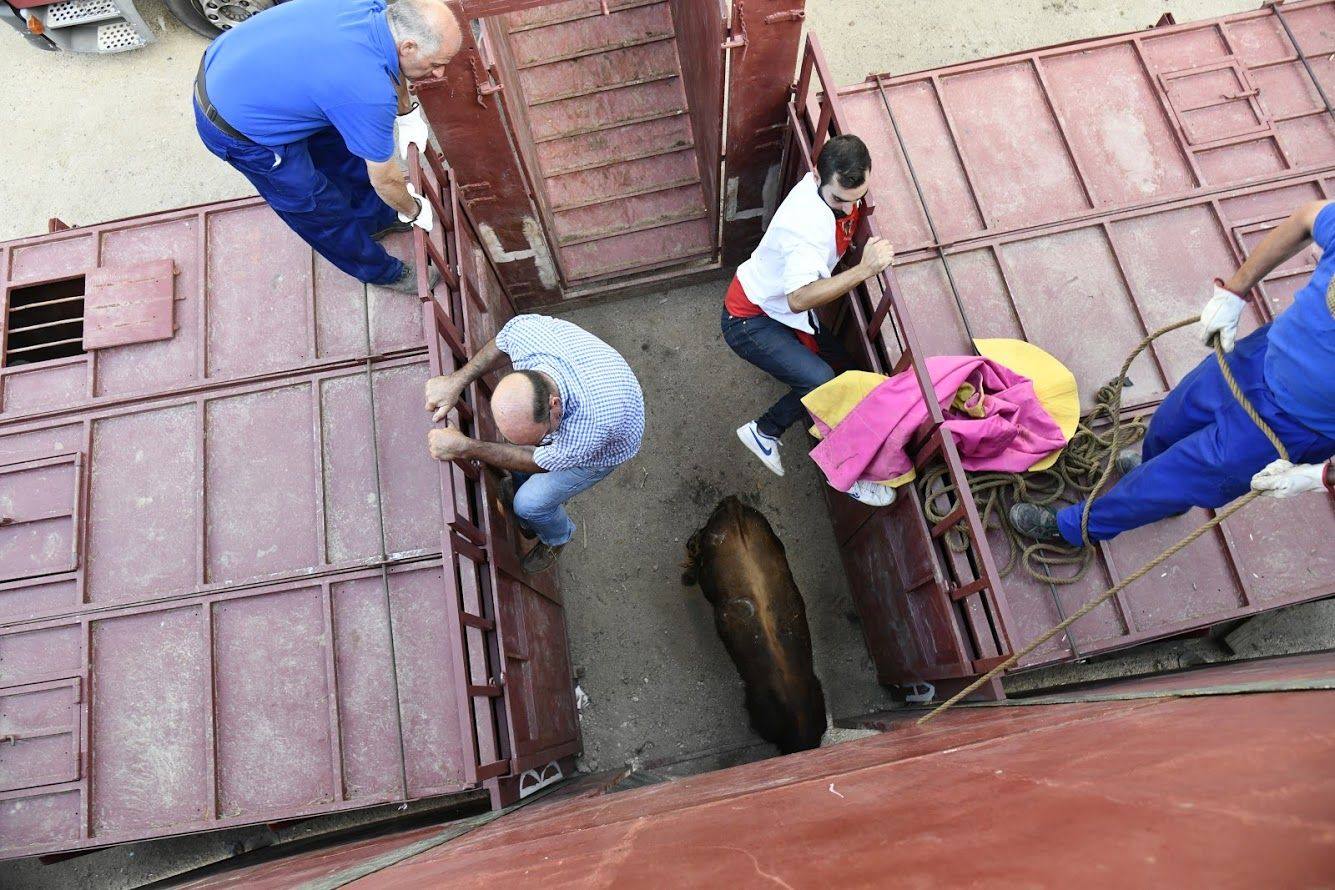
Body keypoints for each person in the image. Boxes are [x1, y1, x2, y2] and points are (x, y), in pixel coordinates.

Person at [1011, 200, 1335, 547]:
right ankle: (1162, 486)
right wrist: (1234, 292)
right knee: (1170, 422)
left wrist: (1320, 476)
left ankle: (1073, 528)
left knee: (1166, 482)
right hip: (1255, 359)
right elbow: (1306, 217)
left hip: (1291, 427)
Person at [193, 0, 463, 293]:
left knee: (343, 152)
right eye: (436, 64)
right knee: (316, 206)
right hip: (236, 120)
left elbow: (392, 65)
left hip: (253, 68)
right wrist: (413, 209)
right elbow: (384, 179)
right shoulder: (367, 92)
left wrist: (407, 114)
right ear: (409, 47)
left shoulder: (374, 9)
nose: (438, 73)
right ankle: (380, 271)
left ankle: (375, 218)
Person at [722, 134, 898, 506]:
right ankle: (769, 433)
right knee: (821, 381)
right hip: (749, 321)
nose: (847, 208)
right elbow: (799, 298)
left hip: (774, 311)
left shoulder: (828, 185)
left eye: (856, 199)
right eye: (838, 200)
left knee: (846, 374)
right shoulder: (804, 231)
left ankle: (833, 444)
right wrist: (864, 270)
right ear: (817, 177)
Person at [423, 315, 645, 573]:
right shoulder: (527, 334)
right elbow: (502, 343)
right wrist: (456, 381)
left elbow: (536, 460)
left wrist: (465, 446)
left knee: (528, 504)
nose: (530, 443)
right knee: (519, 465)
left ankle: (557, 537)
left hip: (608, 445)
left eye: (539, 438)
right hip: (597, 387)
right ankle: (530, 515)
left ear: (555, 406)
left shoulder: (591, 427)